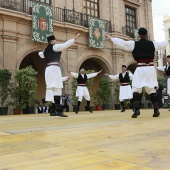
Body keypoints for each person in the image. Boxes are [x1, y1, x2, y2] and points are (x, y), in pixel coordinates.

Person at [105, 27, 168, 118]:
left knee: (136, 89)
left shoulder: (134, 44)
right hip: (150, 68)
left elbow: (122, 43)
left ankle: (137, 110)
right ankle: (156, 109)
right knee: (151, 89)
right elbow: (163, 43)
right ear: (146, 35)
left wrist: (111, 38)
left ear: (138, 34)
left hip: (140, 68)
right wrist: (167, 40)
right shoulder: (153, 44)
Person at [38, 33, 80, 117]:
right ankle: (58, 110)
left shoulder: (45, 51)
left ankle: (53, 110)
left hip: (48, 70)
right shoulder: (55, 47)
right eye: (55, 40)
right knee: (57, 89)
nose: (56, 42)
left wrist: (45, 50)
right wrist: (74, 38)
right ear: (52, 41)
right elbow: (65, 45)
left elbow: (40, 54)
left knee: (52, 89)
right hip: (54, 68)